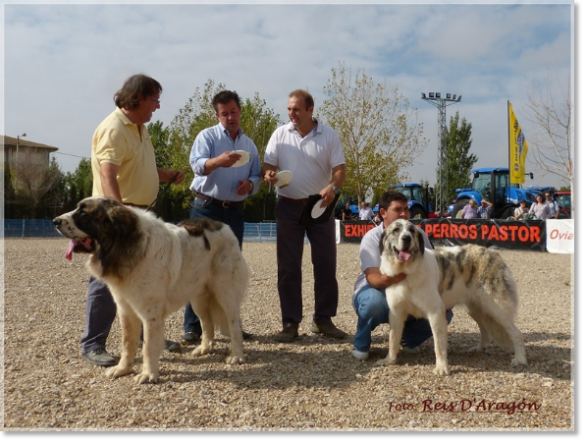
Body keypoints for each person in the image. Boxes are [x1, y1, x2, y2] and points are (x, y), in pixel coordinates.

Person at [83, 74, 186, 366]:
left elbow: (141, 166)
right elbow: (107, 174)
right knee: (106, 281)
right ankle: (93, 344)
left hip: (140, 217)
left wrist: (166, 175)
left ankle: (147, 339)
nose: (158, 106)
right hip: (118, 218)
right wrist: (119, 217)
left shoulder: (140, 128)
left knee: (146, 280)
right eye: (155, 99)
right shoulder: (114, 128)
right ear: (137, 98)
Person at [262, 89, 347, 342]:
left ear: (311, 109)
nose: (292, 114)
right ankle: (290, 323)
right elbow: (268, 167)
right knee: (288, 268)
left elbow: (340, 170)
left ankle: (323, 319)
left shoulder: (329, 135)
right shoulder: (280, 134)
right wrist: (268, 175)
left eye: (296, 109)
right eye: (289, 109)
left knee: (325, 264)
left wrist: (333, 188)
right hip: (287, 205)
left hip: (320, 205)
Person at [181, 90, 260, 345]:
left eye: (233, 111)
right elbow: (197, 164)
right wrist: (218, 161)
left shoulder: (249, 146)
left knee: (230, 270)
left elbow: (257, 175)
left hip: (234, 213)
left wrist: (250, 185)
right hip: (205, 209)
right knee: (195, 267)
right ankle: (193, 328)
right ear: (217, 115)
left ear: (240, 111)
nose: (230, 117)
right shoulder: (208, 136)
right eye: (224, 113)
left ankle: (231, 326)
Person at [351, 190, 453, 360]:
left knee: (445, 310)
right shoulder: (372, 238)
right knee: (374, 303)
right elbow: (373, 278)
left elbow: (435, 268)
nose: (404, 214)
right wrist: (399, 274)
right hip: (378, 288)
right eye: (398, 210)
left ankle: (408, 338)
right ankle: (361, 345)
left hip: (411, 288)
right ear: (383, 213)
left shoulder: (418, 234)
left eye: (406, 209)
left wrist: (443, 294)